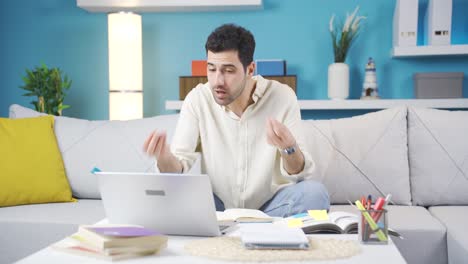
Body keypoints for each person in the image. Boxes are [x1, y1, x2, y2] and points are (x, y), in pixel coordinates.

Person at [143, 24, 329, 217]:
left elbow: (300, 173)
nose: (217, 81)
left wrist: (289, 148)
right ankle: (244, 230)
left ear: (250, 69)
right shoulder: (197, 99)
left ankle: (241, 230)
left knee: (315, 195)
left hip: (272, 207)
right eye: (211, 69)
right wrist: (163, 157)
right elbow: (177, 170)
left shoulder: (282, 96)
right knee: (171, 196)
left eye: (228, 70)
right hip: (219, 208)